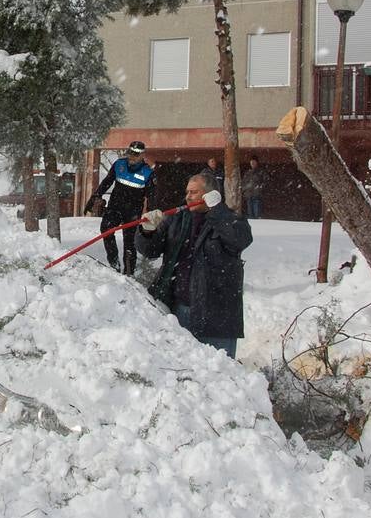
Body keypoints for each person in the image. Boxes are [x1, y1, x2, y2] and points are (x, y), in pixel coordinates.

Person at [137, 173, 252, 358]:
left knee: (218, 373)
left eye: (194, 192)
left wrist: (218, 210)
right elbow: (151, 251)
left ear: (209, 195)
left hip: (217, 316)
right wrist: (147, 231)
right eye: (187, 192)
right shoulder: (178, 219)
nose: (188, 197)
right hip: (178, 310)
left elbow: (240, 239)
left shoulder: (231, 219)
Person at [87, 141, 154, 275]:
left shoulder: (148, 173)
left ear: (142, 155)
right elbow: (107, 181)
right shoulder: (119, 165)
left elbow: (151, 196)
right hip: (115, 207)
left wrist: (149, 214)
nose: (132, 157)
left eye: (136, 154)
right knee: (106, 229)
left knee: (129, 242)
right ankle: (114, 264)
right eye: (130, 153)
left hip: (133, 212)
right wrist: (95, 196)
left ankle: (129, 273)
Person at [241, 155, 265, 219]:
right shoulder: (248, 173)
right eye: (251, 162)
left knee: (257, 213)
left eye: (254, 162)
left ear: (257, 162)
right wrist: (244, 190)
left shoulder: (261, 172)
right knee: (250, 215)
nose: (252, 164)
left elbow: (264, 182)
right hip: (249, 195)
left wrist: (259, 188)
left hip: (257, 195)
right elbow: (243, 183)